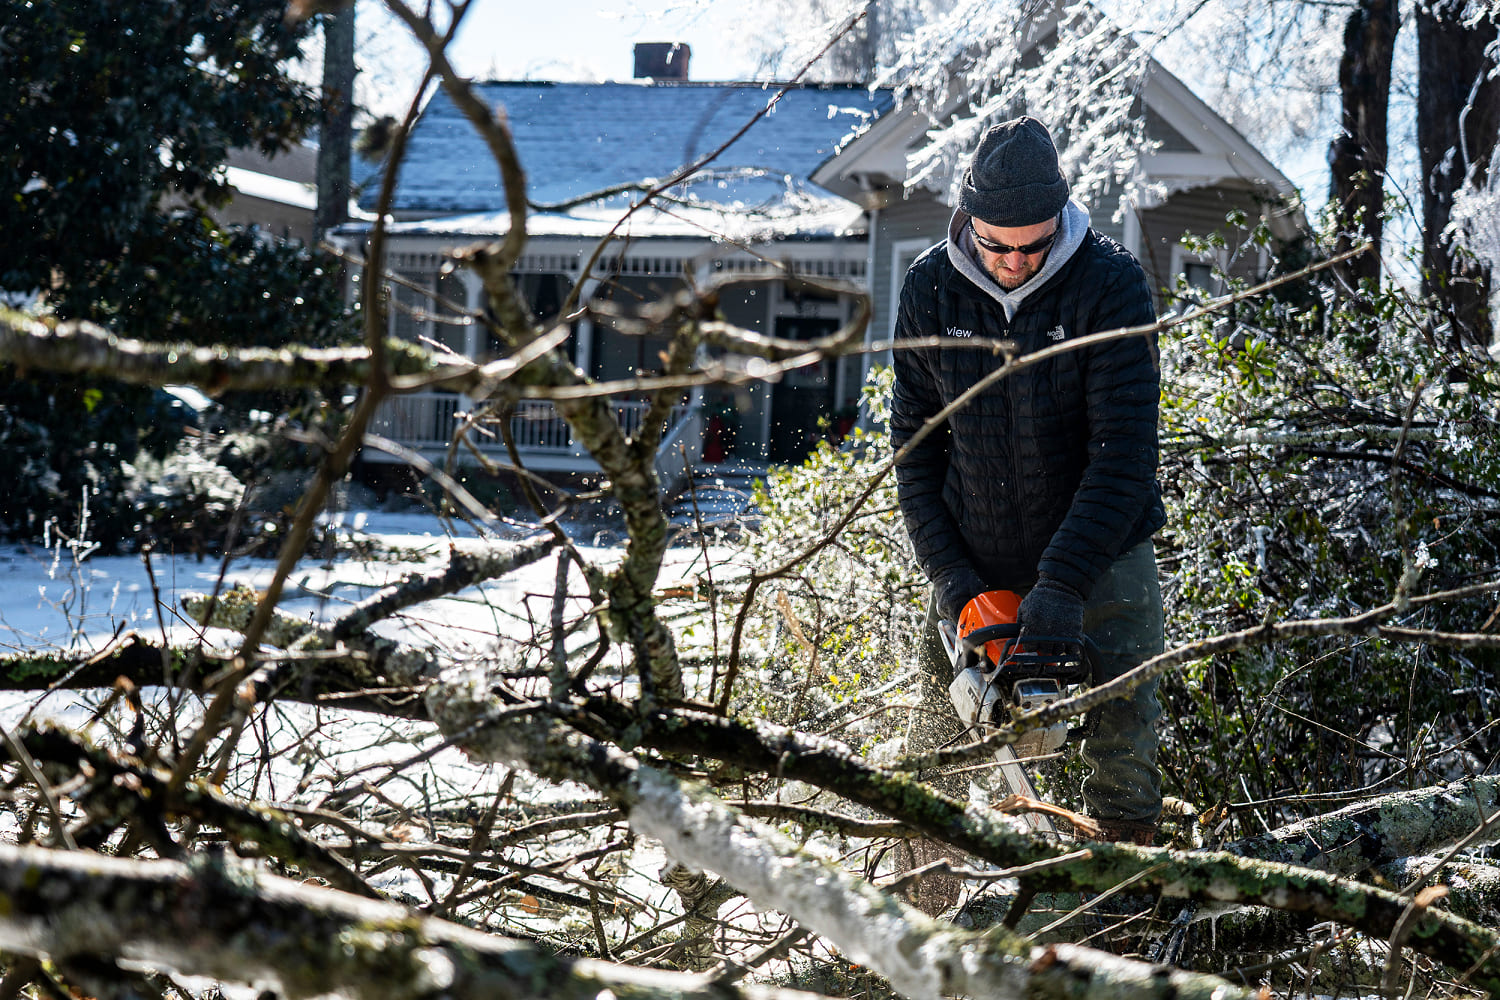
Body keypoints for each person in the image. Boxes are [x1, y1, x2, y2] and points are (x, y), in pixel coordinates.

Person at [891, 116, 1166, 848]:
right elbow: (914, 453)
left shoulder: (1111, 285)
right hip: (975, 551)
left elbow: (1125, 455)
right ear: (967, 219)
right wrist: (954, 584)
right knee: (932, 751)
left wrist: (1063, 586)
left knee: (1126, 733)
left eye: (1033, 245)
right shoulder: (928, 291)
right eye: (995, 245)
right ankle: (922, 909)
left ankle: (1122, 905)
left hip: (1101, 552)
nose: (1014, 262)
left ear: (1061, 218)